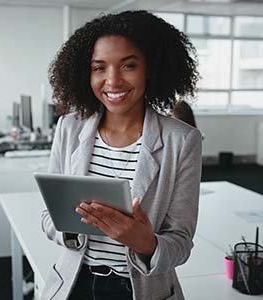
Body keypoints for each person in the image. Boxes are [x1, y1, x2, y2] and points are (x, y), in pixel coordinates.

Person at [41, 10, 202, 300]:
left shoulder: (182, 140)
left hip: (138, 290)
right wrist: (72, 227)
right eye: (99, 68)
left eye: (128, 66)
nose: (112, 81)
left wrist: (145, 243)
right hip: (75, 283)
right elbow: (47, 217)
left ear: (150, 68)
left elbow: (181, 243)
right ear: (85, 73)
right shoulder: (69, 126)